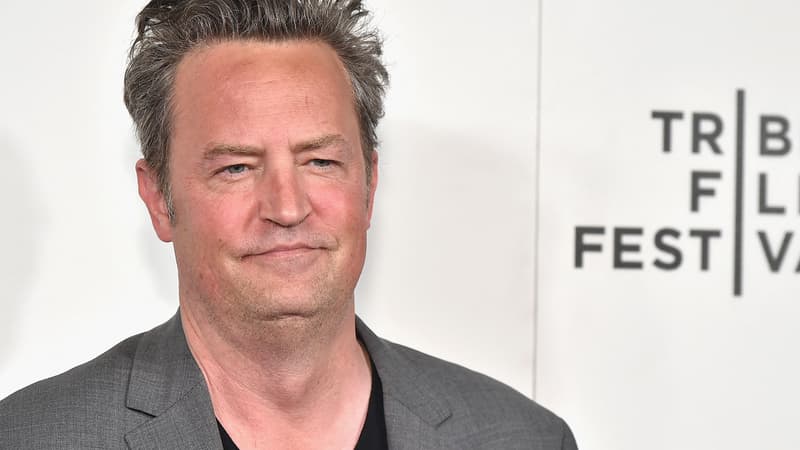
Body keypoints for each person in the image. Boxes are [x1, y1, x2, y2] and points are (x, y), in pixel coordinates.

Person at [0, 1, 577, 448]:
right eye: (235, 167)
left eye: (320, 161)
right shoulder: (32, 438)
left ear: (369, 185)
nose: (287, 206)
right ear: (158, 199)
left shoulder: (523, 439)